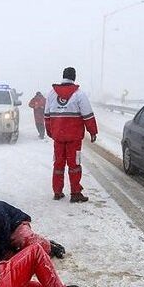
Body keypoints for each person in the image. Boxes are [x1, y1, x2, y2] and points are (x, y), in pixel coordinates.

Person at [44, 67, 98, 203]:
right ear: (74, 77)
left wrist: (51, 132)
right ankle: (75, 193)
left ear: (63, 76)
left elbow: (47, 115)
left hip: (58, 137)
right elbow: (88, 115)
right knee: (74, 165)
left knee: (58, 164)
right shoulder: (79, 94)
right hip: (74, 138)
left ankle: (57, 192)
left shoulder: (51, 94)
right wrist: (93, 131)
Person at [0, 201, 65, 265]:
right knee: (11, 260)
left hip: (16, 224)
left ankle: (49, 246)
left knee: (24, 240)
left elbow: (2, 239)